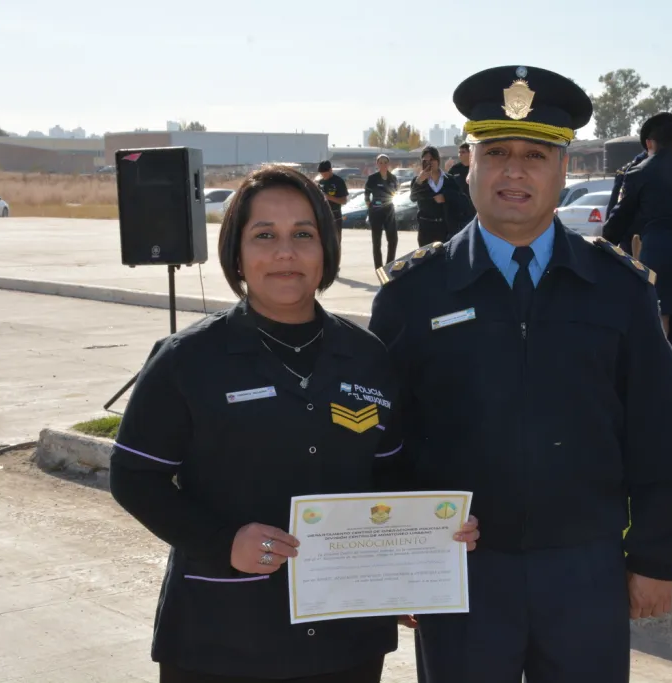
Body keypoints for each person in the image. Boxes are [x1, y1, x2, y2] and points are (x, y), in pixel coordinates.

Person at [369, 64, 672, 683]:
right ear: (469, 163)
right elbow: (385, 439)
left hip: (586, 569)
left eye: (535, 155)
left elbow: (658, 430)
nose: (515, 172)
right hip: (461, 568)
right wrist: (401, 556)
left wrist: (656, 555)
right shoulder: (413, 294)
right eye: (496, 153)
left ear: (563, 168)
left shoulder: (618, 289)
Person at [108, 164, 478, 683]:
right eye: (265, 235)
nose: (286, 252)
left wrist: (425, 542)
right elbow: (133, 477)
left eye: (303, 234)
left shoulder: (367, 357)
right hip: (222, 637)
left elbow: (389, 475)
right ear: (236, 253)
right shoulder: (187, 360)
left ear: (326, 248)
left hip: (345, 638)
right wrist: (222, 542)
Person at [602, 112, 672, 339]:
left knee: (657, 315)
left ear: (649, 143)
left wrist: (606, 243)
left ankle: (660, 361)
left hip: (654, 251)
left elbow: (621, 214)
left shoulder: (638, 172)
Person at [410, 145, 472, 245]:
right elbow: (413, 197)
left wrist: (446, 196)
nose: (429, 163)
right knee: (426, 255)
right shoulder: (419, 181)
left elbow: (463, 200)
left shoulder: (449, 179)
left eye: (432, 160)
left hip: (446, 228)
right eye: (425, 161)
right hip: (426, 229)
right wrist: (419, 181)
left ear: (438, 160)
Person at [364, 154, 399, 271]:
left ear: (389, 164)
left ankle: (389, 265)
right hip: (376, 211)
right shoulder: (372, 178)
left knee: (393, 240)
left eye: (385, 162)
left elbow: (396, 191)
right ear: (377, 164)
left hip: (389, 210)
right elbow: (367, 194)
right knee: (377, 241)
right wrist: (370, 204)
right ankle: (379, 267)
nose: (383, 164)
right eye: (381, 162)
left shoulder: (393, 178)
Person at [316, 160, 348, 240]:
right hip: (323, 215)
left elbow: (344, 201)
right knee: (323, 240)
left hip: (335, 215)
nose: (323, 175)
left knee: (335, 240)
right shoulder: (321, 182)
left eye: (325, 173)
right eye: (321, 173)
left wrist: (328, 197)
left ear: (330, 170)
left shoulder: (338, 181)